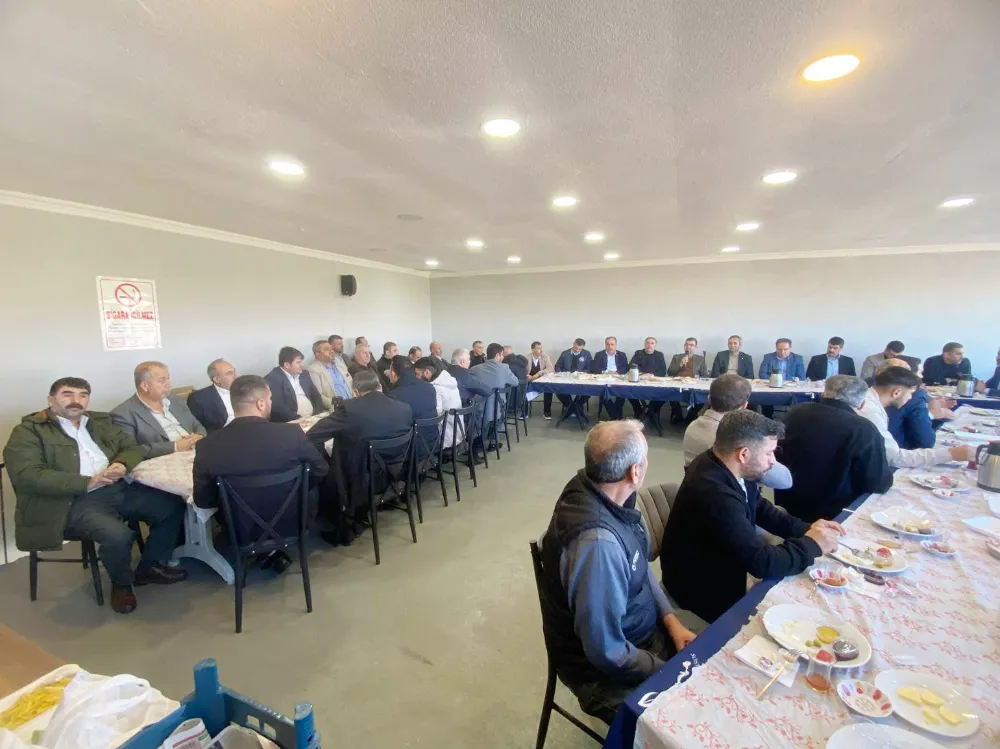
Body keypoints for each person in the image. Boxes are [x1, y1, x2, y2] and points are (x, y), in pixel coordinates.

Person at [537, 420, 696, 724]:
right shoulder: (598, 546)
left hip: (638, 634)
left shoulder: (601, 489)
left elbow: (639, 565)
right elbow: (606, 651)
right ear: (634, 472)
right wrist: (665, 670)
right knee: (689, 723)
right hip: (602, 672)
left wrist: (671, 621)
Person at [4, 377, 187, 614]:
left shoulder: (100, 421)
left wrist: (121, 463)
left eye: (83, 395)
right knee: (118, 535)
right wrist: (87, 482)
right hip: (73, 499)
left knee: (171, 504)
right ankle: (121, 585)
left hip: (115, 487)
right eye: (68, 394)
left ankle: (149, 567)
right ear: (51, 399)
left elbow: (131, 448)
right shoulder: (29, 431)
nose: (76, 400)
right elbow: (27, 475)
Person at [660, 410, 843, 623]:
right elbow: (762, 562)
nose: (773, 461)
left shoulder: (727, 466)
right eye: (769, 453)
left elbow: (761, 508)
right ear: (744, 454)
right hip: (702, 590)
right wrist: (812, 545)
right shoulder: (714, 493)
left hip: (719, 568)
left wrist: (806, 529)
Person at [192, 375, 328, 572]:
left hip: (240, 529)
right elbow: (321, 470)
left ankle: (264, 552)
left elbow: (204, 500)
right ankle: (273, 550)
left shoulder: (207, 445)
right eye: (270, 398)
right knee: (310, 488)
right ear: (261, 403)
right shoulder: (291, 434)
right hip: (294, 521)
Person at [306, 371, 412, 545]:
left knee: (334, 465)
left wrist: (326, 461)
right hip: (395, 477)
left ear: (355, 391)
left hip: (359, 483)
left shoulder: (349, 409)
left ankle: (344, 525)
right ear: (379, 386)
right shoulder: (404, 408)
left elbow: (312, 436)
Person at [774, 376, 893, 523]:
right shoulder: (863, 429)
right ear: (862, 404)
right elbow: (876, 482)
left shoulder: (796, 411)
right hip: (834, 514)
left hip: (787, 499)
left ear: (823, 394)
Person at [683, 374, 792, 489]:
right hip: (730, 492)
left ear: (709, 398)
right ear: (744, 405)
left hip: (699, 490)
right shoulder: (733, 439)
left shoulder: (693, 426)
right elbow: (785, 480)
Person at [858, 366, 975, 468]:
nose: (910, 398)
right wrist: (950, 454)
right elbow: (894, 457)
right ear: (896, 393)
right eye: (910, 393)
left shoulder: (869, 399)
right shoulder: (871, 411)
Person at [111, 361, 206, 459]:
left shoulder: (175, 400)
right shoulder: (123, 414)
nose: (169, 385)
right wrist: (175, 446)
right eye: (162, 380)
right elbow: (130, 450)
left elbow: (196, 424)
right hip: (168, 459)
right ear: (145, 386)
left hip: (199, 451)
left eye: (168, 379)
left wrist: (199, 435)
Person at [880, 359, 953, 449]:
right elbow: (925, 442)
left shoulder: (872, 389)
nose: (921, 376)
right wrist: (932, 415)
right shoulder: (915, 395)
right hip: (899, 452)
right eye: (919, 372)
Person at [470, 343, 520, 441]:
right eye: (502, 355)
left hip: (479, 409)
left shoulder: (475, 369)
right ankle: (494, 441)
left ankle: (478, 439)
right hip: (498, 409)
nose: (503, 357)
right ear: (497, 355)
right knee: (501, 404)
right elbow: (515, 382)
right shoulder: (504, 368)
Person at [386, 355, 438, 445]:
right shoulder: (430, 387)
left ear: (393, 373)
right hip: (434, 442)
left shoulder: (394, 397)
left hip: (411, 447)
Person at [264, 347, 325, 423]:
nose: (302, 365)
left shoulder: (304, 374)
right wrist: (299, 418)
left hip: (312, 418)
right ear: (287, 365)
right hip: (292, 421)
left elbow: (315, 395)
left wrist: (317, 414)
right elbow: (278, 407)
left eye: (302, 362)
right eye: (298, 362)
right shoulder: (273, 379)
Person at [414, 357, 464, 448]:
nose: (416, 377)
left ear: (427, 372)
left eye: (417, 374)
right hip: (457, 433)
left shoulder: (436, 389)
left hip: (444, 438)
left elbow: (435, 415)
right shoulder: (448, 381)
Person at [187, 358, 238, 434]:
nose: (236, 376)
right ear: (217, 379)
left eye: (234, 371)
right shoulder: (199, 398)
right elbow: (196, 427)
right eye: (229, 373)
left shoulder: (245, 390)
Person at [758, 339, 806, 417]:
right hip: (772, 388)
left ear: (790, 348)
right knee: (765, 399)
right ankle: (767, 419)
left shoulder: (797, 359)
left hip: (790, 389)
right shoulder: (768, 357)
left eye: (785, 349)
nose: (782, 352)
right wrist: (774, 381)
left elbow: (802, 377)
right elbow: (762, 374)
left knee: (798, 401)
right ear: (776, 348)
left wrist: (786, 382)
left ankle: (792, 419)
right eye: (779, 349)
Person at [667, 338, 708, 424]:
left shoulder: (700, 359)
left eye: (691, 345)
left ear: (695, 347)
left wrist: (697, 378)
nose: (688, 347)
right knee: (671, 395)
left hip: (693, 383)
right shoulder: (676, 357)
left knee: (701, 399)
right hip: (678, 382)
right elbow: (670, 372)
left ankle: (689, 418)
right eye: (686, 344)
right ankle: (678, 417)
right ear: (684, 346)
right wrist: (680, 364)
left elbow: (705, 375)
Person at [306, 339, 353, 411]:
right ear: (318, 354)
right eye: (327, 349)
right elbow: (319, 395)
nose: (331, 351)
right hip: (337, 409)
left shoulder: (340, 364)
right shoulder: (313, 370)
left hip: (352, 403)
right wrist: (336, 404)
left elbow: (350, 382)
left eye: (331, 349)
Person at [628, 337, 667, 422]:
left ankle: (650, 411)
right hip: (640, 380)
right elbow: (631, 366)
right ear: (644, 344)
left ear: (655, 345)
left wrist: (651, 375)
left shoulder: (659, 354)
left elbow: (663, 371)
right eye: (647, 343)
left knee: (665, 394)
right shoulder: (638, 353)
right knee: (628, 391)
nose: (649, 345)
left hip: (654, 381)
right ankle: (638, 410)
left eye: (652, 343)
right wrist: (643, 374)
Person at [554, 338, 593, 417]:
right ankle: (572, 407)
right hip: (566, 378)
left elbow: (590, 368)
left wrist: (582, 374)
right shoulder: (565, 353)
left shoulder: (586, 354)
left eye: (579, 349)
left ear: (582, 347)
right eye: (576, 348)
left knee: (589, 390)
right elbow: (557, 366)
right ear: (573, 344)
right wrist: (561, 374)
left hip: (581, 379)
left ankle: (576, 406)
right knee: (558, 390)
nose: (577, 350)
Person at [591, 336, 628, 419]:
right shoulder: (599, 354)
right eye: (608, 344)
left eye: (612, 344)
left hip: (618, 377)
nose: (610, 347)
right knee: (604, 392)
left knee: (623, 392)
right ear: (605, 345)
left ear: (616, 345)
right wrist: (606, 372)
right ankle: (615, 417)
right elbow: (595, 368)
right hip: (604, 377)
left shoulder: (622, 355)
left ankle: (614, 416)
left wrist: (616, 372)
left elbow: (625, 368)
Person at [526, 341, 555, 420]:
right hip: (530, 380)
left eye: (541, 348)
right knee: (523, 387)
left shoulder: (545, 356)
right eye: (538, 348)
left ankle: (547, 412)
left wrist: (539, 373)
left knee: (549, 389)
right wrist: (528, 376)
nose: (541, 350)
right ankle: (524, 412)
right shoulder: (527, 357)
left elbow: (550, 368)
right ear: (532, 349)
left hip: (541, 379)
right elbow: (523, 370)